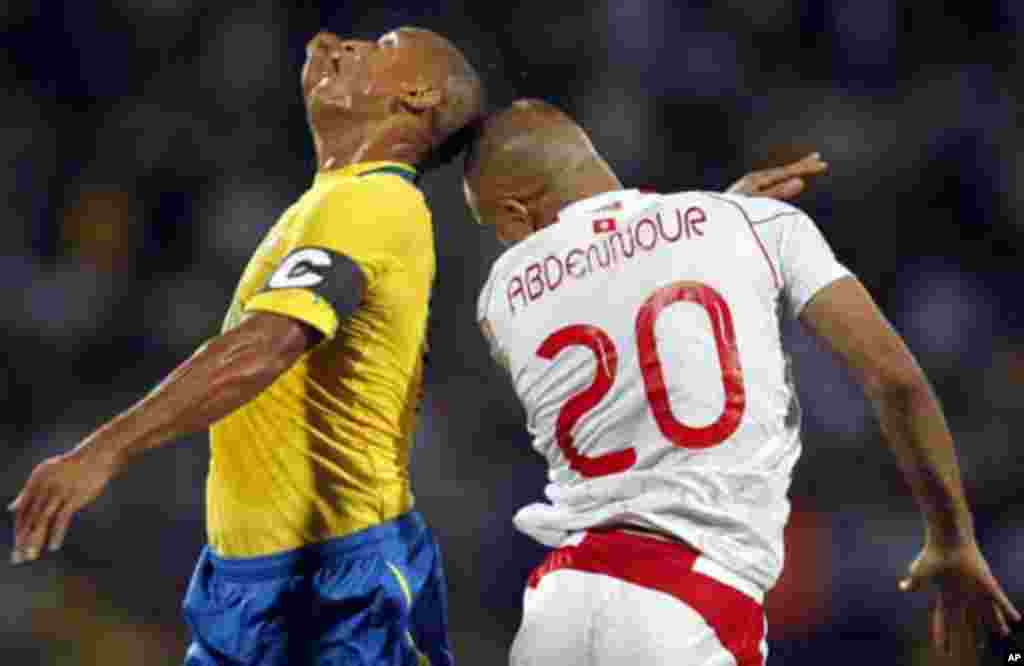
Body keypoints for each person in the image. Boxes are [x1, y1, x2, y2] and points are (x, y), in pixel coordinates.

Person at [465, 99, 1019, 665]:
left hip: (555, 612)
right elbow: (897, 383)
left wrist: (719, 221)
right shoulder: (755, 225)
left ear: (515, 214)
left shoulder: (499, 298)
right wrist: (952, 539)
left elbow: (610, 279)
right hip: (688, 602)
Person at [9, 27, 484, 666]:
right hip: (252, 578)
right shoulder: (328, 203)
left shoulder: (375, 202)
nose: (337, 42)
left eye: (378, 43)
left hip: (335, 578)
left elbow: (266, 347)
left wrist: (104, 451)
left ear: (419, 93)